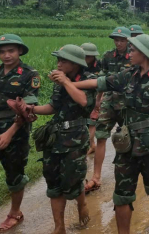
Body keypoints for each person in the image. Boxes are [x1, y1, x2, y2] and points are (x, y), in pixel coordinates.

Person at [69, 34, 149, 234]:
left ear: (144, 53)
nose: (129, 53)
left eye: (133, 50)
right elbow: (100, 83)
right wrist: (69, 84)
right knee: (122, 194)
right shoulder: (127, 75)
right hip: (126, 144)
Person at [19, 45, 96, 233]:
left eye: (63, 61)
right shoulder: (59, 81)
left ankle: (81, 203)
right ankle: (59, 227)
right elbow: (52, 107)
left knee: (73, 178)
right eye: (58, 60)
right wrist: (31, 109)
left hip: (76, 138)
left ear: (76, 63)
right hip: (55, 137)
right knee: (53, 181)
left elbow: (84, 101)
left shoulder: (89, 80)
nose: (58, 64)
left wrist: (65, 82)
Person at [0, 34, 39, 232]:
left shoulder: (29, 74)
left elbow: (29, 108)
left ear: (20, 50)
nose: (6, 55)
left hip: (14, 132)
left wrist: (10, 133)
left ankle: (15, 213)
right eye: (2, 51)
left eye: (11, 50)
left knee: (14, 175)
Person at [84, 27, 131, 194]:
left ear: (128, 40)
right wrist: (98, 101)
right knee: (101, 136)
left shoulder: (134, 57)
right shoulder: (108, 56)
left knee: (128, 136)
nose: (118, 43)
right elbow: (102, 79)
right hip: (109, 102)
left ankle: (129, 171)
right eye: (116, 40)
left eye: (122, 40)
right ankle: (96, 176)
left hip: (127, 103)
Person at [81, 42, 101, 155]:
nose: (86, 58)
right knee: (85, 122)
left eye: (88, 56)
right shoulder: (78, 65)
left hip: (96, 97)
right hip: (82, 96)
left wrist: (99, 100)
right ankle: (92, 144)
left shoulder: (100, 65)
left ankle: (90, 144)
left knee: (92, 121)